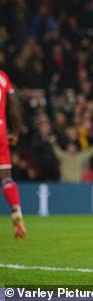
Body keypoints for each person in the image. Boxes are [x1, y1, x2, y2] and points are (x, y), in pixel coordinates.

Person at [0, 70, 26, 239]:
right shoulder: (2, 77)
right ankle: (16, 211)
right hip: (0, 130)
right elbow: (14, 104)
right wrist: (16, 131)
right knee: (6, 177)